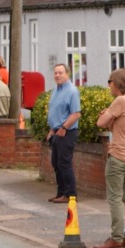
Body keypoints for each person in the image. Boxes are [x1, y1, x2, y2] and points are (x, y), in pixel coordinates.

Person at [92, 68, 125, 248]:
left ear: (118, 83)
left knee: (114, 198)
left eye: (110, 82)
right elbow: (121, 124)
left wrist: (107, 114)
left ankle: (116, 237)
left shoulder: (120, 101)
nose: (109, 85)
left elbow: (100, 122)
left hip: (118, 156)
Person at [46, 63, 81, 203]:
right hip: (56, 132)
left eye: (60, 73)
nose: (57, 75)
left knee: (64, 164)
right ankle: (61, 192)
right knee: (56, 163)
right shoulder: (56, 90)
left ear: (67, 74)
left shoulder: (72, 91)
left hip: (67, 132)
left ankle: (70, 194)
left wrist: (63, 128)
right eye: (55, 73)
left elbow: (76, 114)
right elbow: (55, 111)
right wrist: (51, 129)